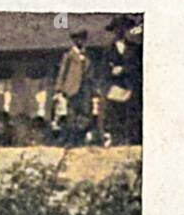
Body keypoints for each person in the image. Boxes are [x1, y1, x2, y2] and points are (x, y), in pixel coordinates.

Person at [103, 14, 142, 145]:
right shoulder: (108, 50)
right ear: (113, 31)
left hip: (130, 86)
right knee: (115, 114)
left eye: (122, 28)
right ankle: (116, 141)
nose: (119, 31)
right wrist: (111, 72)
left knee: (131, 115)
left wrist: (124, 69)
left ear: (125, 29)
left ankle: (130, 141)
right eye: (116, 28)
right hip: (115, 87)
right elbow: (103, 69)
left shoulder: (134, 48)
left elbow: (138, 66)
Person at [54, 29, 94, 146]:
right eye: (77, 39)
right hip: (71, 89)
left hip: (84, 90)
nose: (80, 41)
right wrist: (59, 89)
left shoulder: (87, 56)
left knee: (83, 115)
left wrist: (92, 89)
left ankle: (80, 140)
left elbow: (90, 74)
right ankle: (70, 141)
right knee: (71, 115)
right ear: (74, 40)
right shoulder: (69, 56)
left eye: (82, 39)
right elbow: (62, 73)